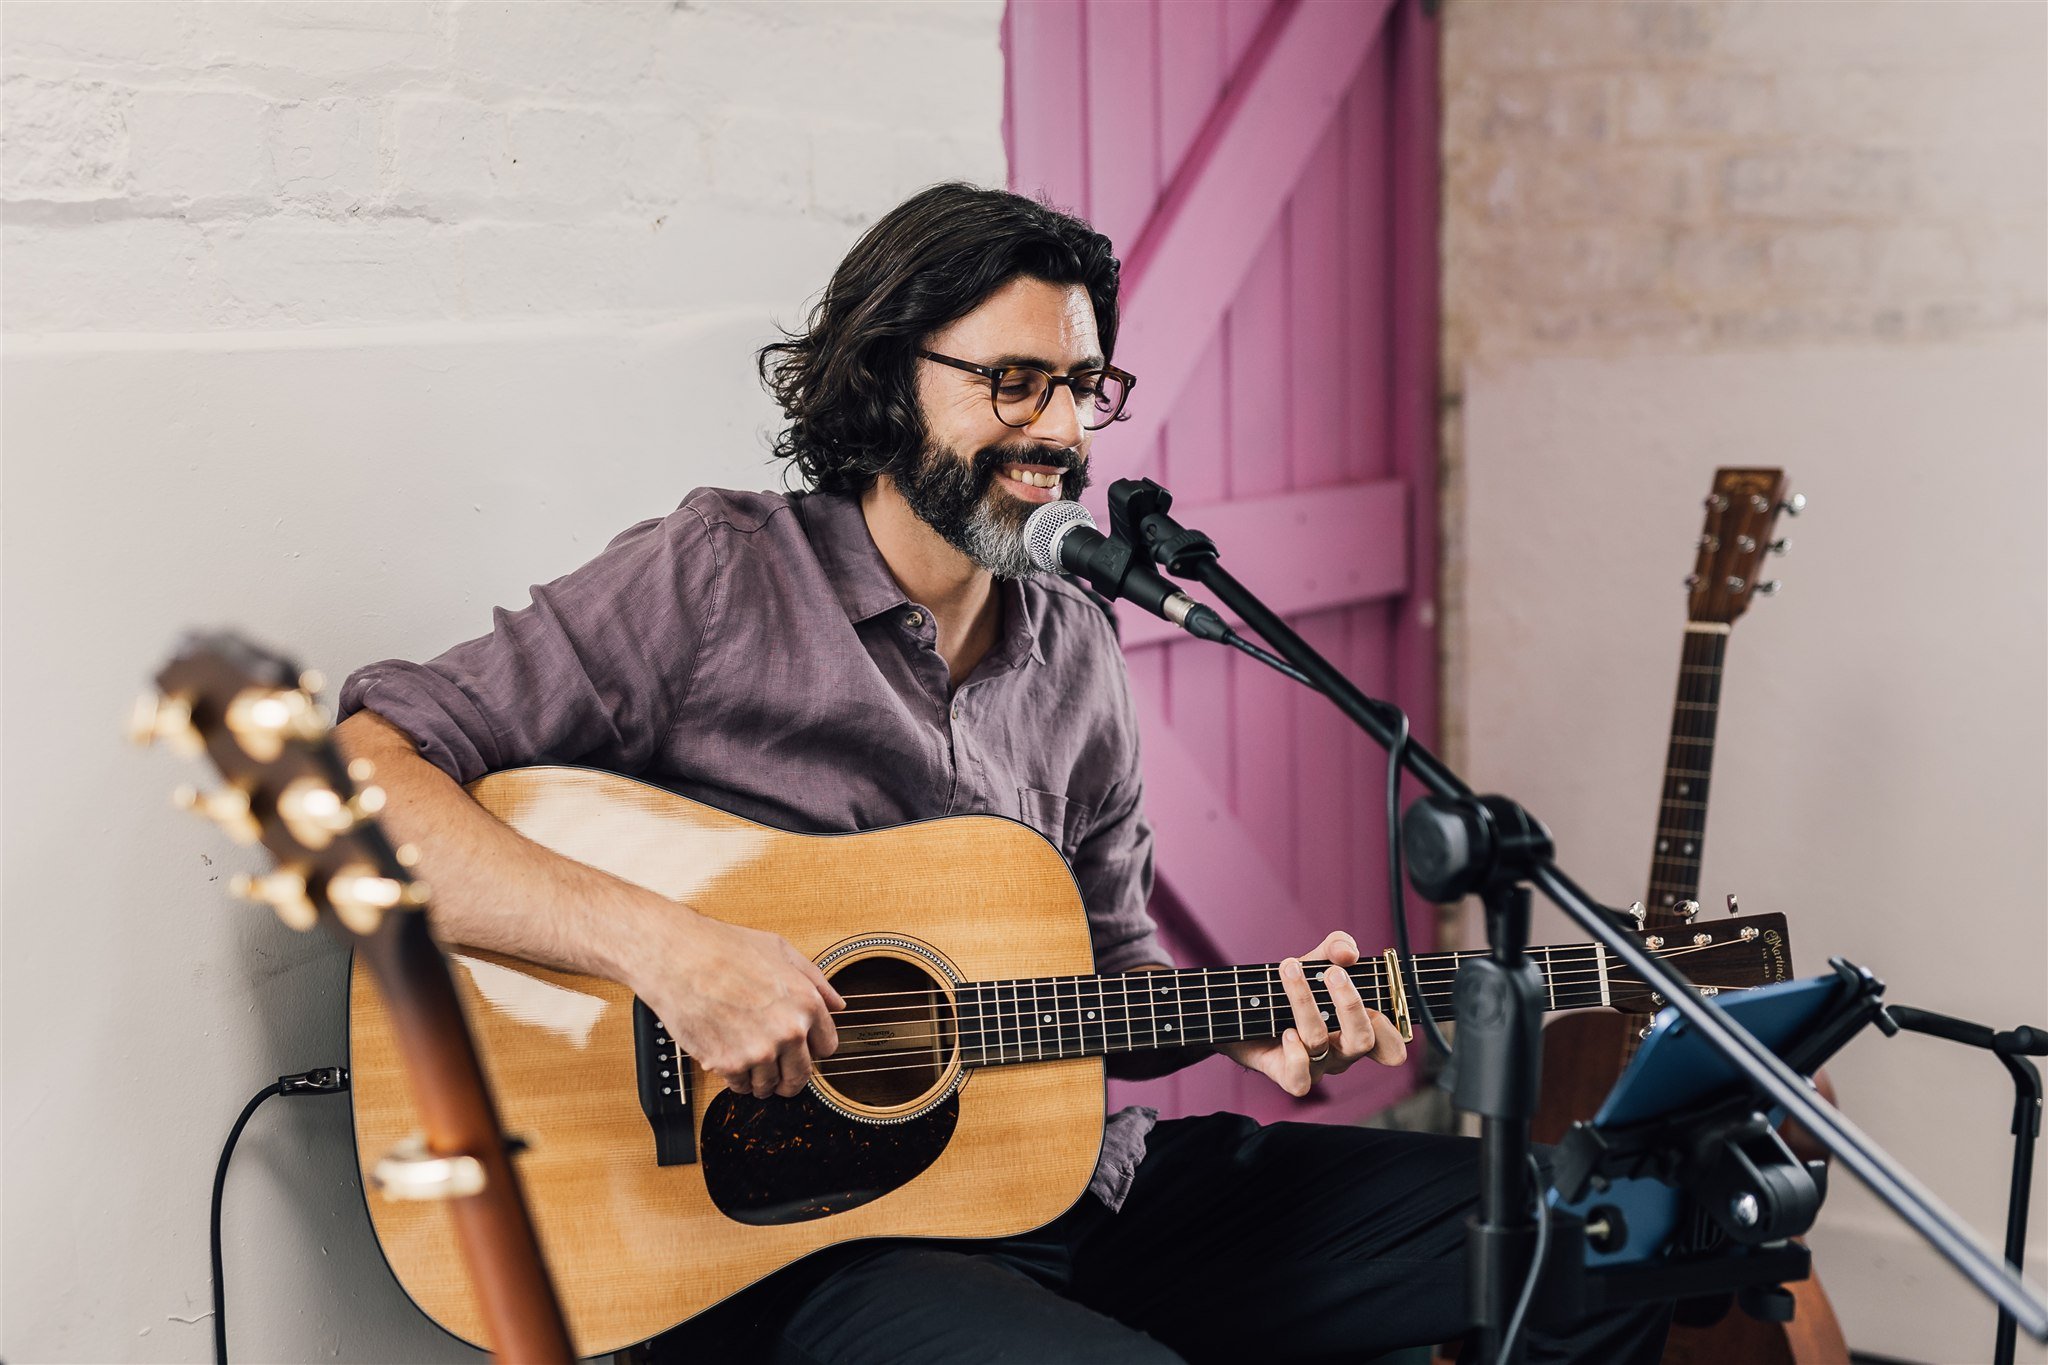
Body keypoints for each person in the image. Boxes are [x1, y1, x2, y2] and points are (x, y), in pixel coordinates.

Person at [335, 181, 1668, 1364]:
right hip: (800, 1248)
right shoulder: (719, 577)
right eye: (1012, 382)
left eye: (1084, 386)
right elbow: (367, 789)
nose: (1061, 431)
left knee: (1597, 1230)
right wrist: (669, 951)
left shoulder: (1079, 640)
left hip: (1083, 1190)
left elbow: (1100, 976)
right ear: (882, 376)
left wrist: (1250, 1016)